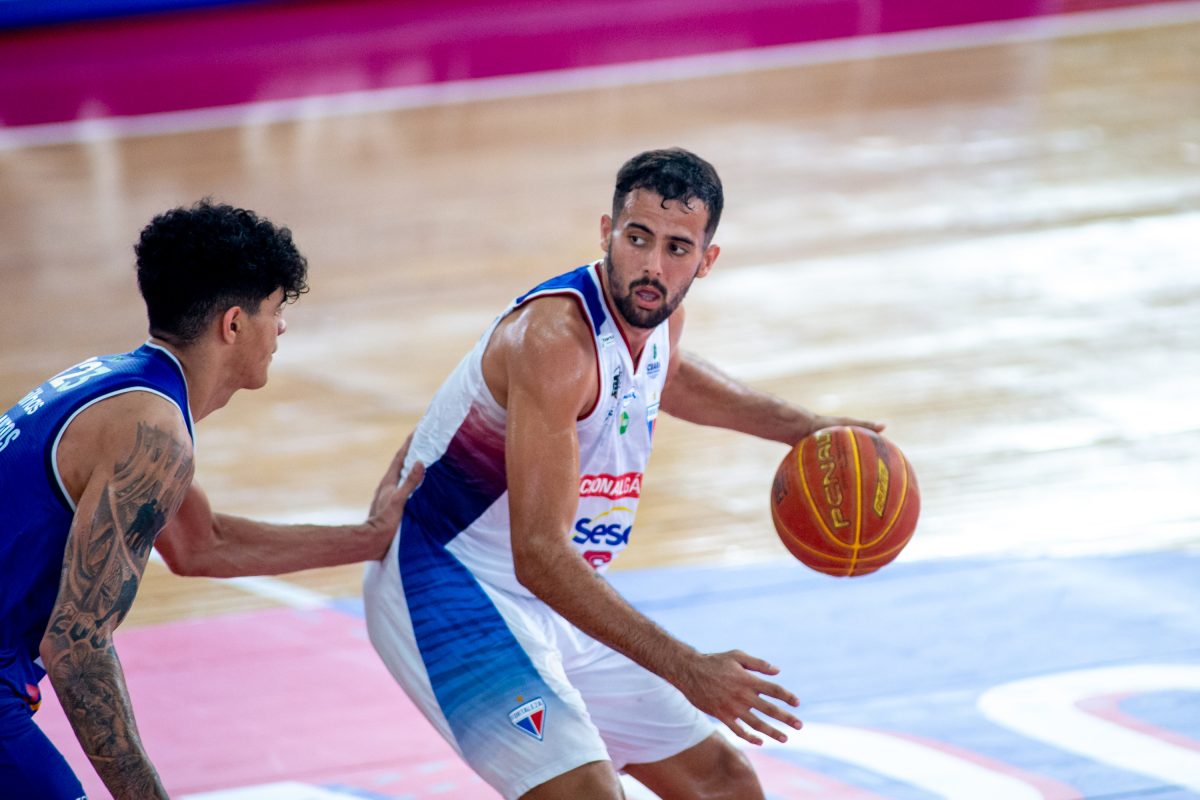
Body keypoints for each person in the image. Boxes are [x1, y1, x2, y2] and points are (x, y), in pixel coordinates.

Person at [363, 148, 883, 799]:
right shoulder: (554, 343)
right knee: (588, 795)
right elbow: (539, 555)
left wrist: (805, 428)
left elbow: (670, 375)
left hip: (554, 595)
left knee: (724, 785)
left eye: (676, 248)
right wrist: (689, 668)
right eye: (637, 239)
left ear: (706, 260)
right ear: (606, 232)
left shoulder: (658, 315)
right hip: (449, 582)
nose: (652, 265)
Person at [0, 201, 422, 799]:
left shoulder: (121, 388)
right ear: (234, 325)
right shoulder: (154, 435)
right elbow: (76, 645)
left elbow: (202, 544)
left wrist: (372, 538)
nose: (281, 329)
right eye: (276, 310)